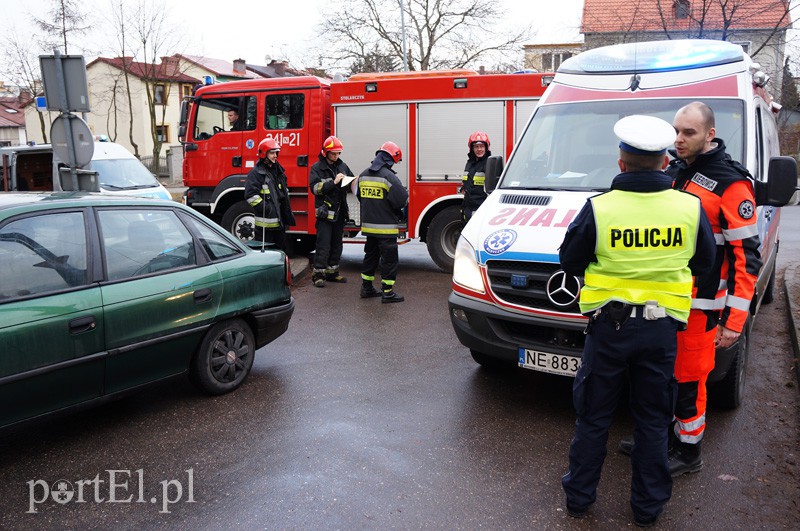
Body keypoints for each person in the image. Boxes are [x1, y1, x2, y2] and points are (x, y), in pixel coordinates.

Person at [559, 115, 715, 527]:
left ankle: (579, 500)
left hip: (609, 330)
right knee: (651, 420)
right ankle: (648, 509)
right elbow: (704, 262)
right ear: (665, 162)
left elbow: (569, 259)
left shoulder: (600, 208)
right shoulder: (690, 207)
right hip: (661, 331)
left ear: (621, 162)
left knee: (594, 417)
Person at [664, 101, 761, 475]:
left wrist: (734, 322)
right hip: (667, 299)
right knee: (660, 375)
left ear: (710, 135)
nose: (679, 139)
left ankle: (688, 452)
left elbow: (745, 257)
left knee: (689, 378)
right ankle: (663, 439)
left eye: (689, 132)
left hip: (703, 305)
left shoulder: (731, 184)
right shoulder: (674, 171)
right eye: (676, 131)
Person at [357, 141, 409, 303]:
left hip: (369, 227)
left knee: (370, 256)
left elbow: (360, 196)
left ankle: (366, 288)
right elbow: (401, 201)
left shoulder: (363, 174)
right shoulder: (389, 177)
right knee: (389, 260)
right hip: (386, 228)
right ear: (390, 159)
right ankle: (387, 292)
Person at [309, 136, 355, 287]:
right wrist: (333, 182)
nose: (336, 156)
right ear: (326, 152)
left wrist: (352, 182)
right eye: (334, 153)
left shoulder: (342, 166)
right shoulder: (317, 168)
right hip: (325, 214)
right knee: (323, 245)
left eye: (338, 153)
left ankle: (332, 272)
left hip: (340, 212)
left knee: (337, 244)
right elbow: (315, 188)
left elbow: (350, 183)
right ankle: (318, 275)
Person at [244, 138, 296, 252]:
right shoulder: (256, 173)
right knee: (266, 255)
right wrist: (267, 209)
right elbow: (250, 195)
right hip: (265, 227)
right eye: (272, 153)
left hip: (279, 223)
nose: (275, 155)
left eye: (276, 152)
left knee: (281, 254)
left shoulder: (278, 171)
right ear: (264, 154)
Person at [461, 131, 492, 222]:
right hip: (467, 206)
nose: (479, 149)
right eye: (476, 147)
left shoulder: (489, 163)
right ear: (472, 148)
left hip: (481, 207)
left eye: (482, 146)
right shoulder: (469, 163)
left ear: (486, 148)